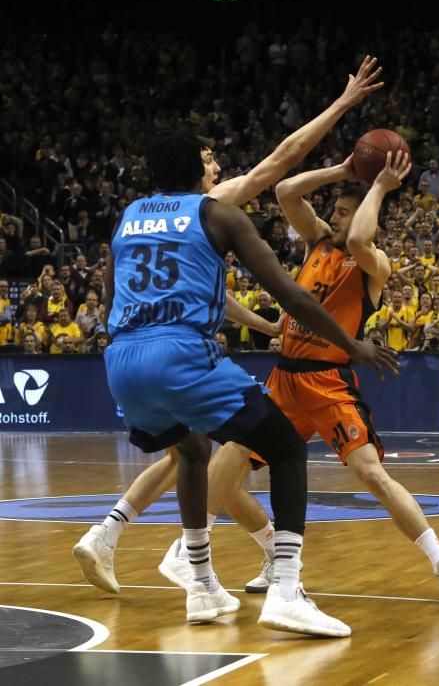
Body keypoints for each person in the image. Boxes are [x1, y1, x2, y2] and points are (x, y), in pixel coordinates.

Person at [73, 55, 385, 589]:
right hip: (181, 352)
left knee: (191, 451)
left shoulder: (131, 215)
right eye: (210, 158)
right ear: (195, 168)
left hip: (124, 352)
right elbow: (281, 162)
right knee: (258, 447)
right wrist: (343, 104)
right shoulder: (209, 207)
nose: (217, 166)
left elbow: (117, 294)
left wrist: (266, 331)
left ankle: (116, 537)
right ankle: (274, 573)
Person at [160, 151, 439, 611]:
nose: (334, 218)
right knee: (227, 461)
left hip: (328, 383)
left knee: (372, 474)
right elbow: (286, 191)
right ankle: (221, 551)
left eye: (342, 211)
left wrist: (379, 187)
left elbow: (363, 237)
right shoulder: (317, 244)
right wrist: (344, 170)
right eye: (334, 211)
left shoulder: (374, 264)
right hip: (285, 380)